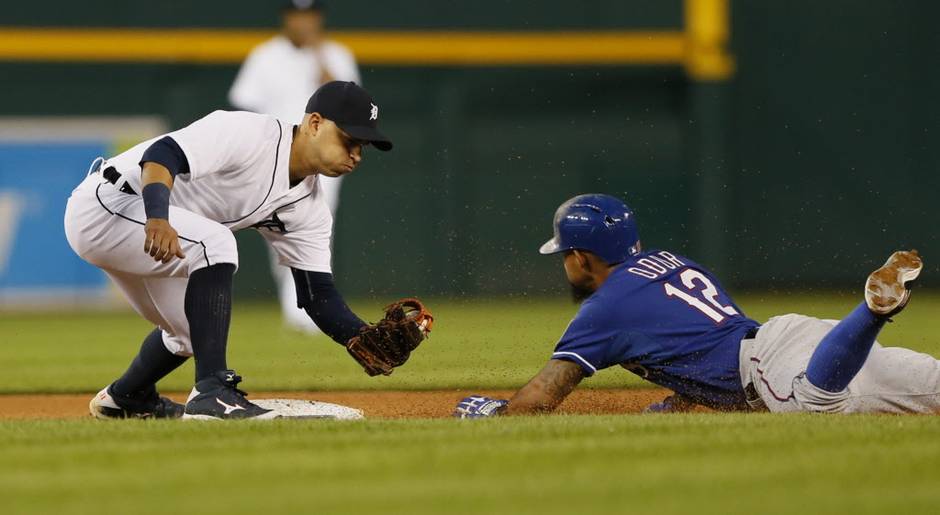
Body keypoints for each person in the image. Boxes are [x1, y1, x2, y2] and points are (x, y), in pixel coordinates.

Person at [67, 81, 430, 420]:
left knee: (193, 334)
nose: (355, 154)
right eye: (349, 139)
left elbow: (316, 294)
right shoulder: (250, 134)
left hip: (157, 237)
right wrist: (157, 217)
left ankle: (126, 397)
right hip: (107, 207)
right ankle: (211, 391)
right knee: (216, 243)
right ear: (315, 123)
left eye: (362, 147)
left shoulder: (309, 208)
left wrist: (360, 335)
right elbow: (162, 153)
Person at [454, 193, 939, 417]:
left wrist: (495, 415)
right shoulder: (670, 261)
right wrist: (687, 401)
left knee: (814, 403)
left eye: (564, 255)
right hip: (798, 338)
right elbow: (702, 339)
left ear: (581, 257)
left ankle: (873, 311)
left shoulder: (603, 311)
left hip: (783, 367)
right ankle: (866, 318)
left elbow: (542, 397)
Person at [229, 0, 360, 334]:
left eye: (310, 15)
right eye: (297, 15)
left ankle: (305, 308)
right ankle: (299, 307)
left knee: (316, 227)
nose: (303, 21)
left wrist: (320, 56)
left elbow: (352, 109)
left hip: (325, 155)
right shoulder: (265, 55)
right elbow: (243, 106)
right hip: (274, 156)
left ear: (319, 18)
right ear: (286, 18)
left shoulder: (336, 54)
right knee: (275, 230)